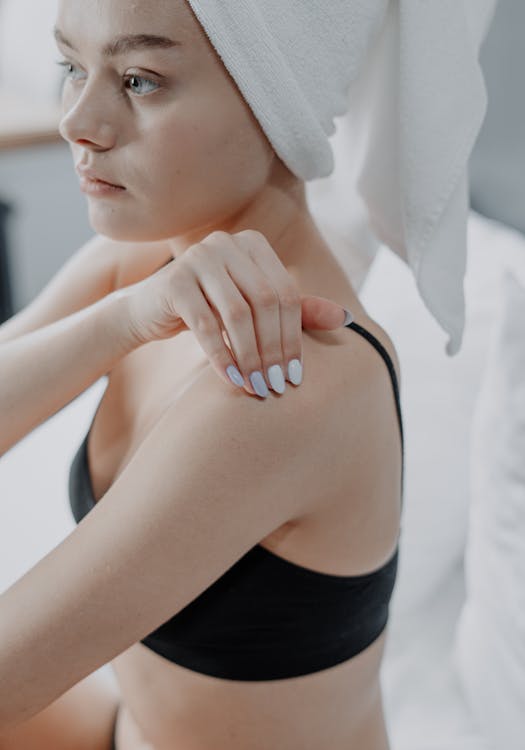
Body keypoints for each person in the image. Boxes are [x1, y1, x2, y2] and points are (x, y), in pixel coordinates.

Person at [0, 1, 404, 748]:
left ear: (274, 99)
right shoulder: (156, 255)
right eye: (72, 68)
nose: (77, 122)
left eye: (141, 80)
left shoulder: (282, 378)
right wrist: (122, 320)